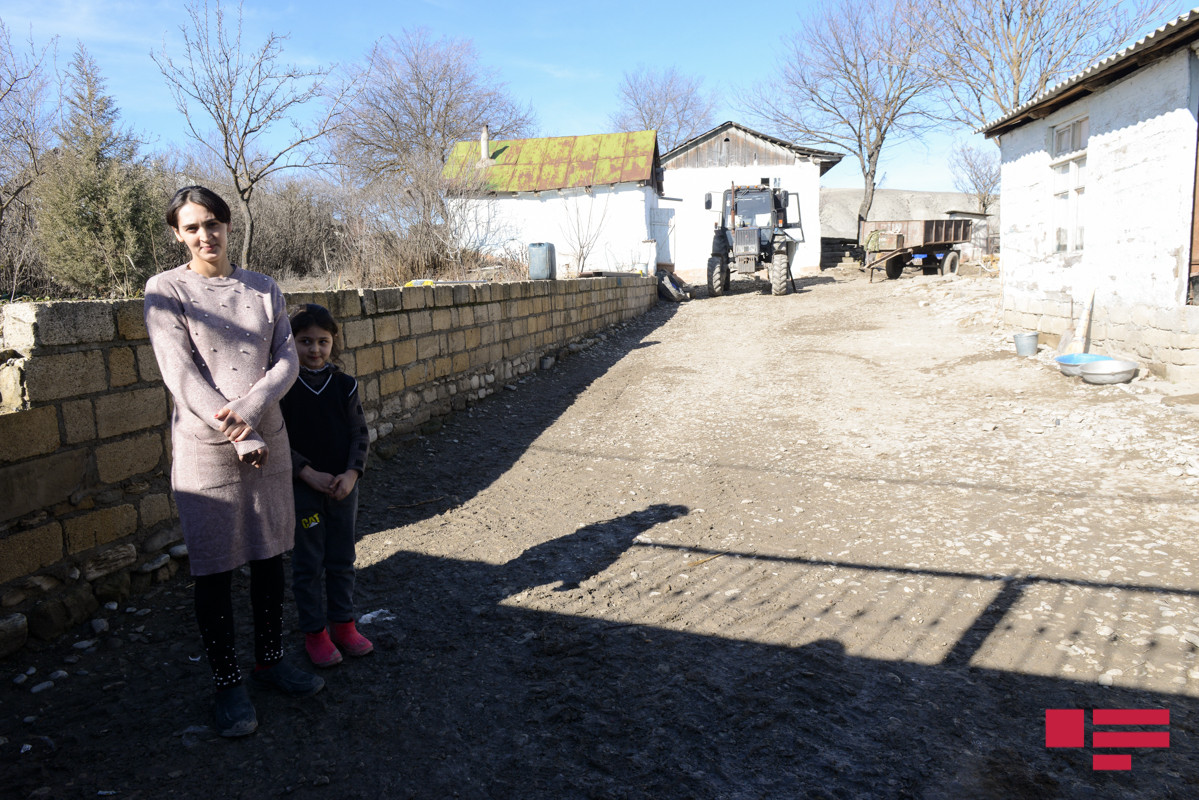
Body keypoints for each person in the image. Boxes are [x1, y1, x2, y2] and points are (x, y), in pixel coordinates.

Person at [144, 186, 323, 739]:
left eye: (214, 223)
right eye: (193, 227)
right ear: (178, 234)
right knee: (215, 567)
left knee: (270, 556)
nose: (206, 235)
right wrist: (235, 429)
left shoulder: (264, 288)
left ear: (227, 224)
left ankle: (270, 660)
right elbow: (180, 373)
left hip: (269, 440)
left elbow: (286, 359)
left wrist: (251, 409)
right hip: (206, 449)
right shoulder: (165, 290)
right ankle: (227, 683)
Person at [280, 304, 373, 667]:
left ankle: (344, 625)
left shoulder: (345, 386)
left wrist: (352, 474)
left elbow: (359, 434)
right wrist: (305, 472)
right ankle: (314, 633)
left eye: (323, 341)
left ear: (333, 342)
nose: (315, 349)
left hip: (342, 489)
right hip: (303, 489)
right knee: (308, 562)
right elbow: (276, 440)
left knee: (342, 558)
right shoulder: (282, 388)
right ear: (290, 342)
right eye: (305, 341)